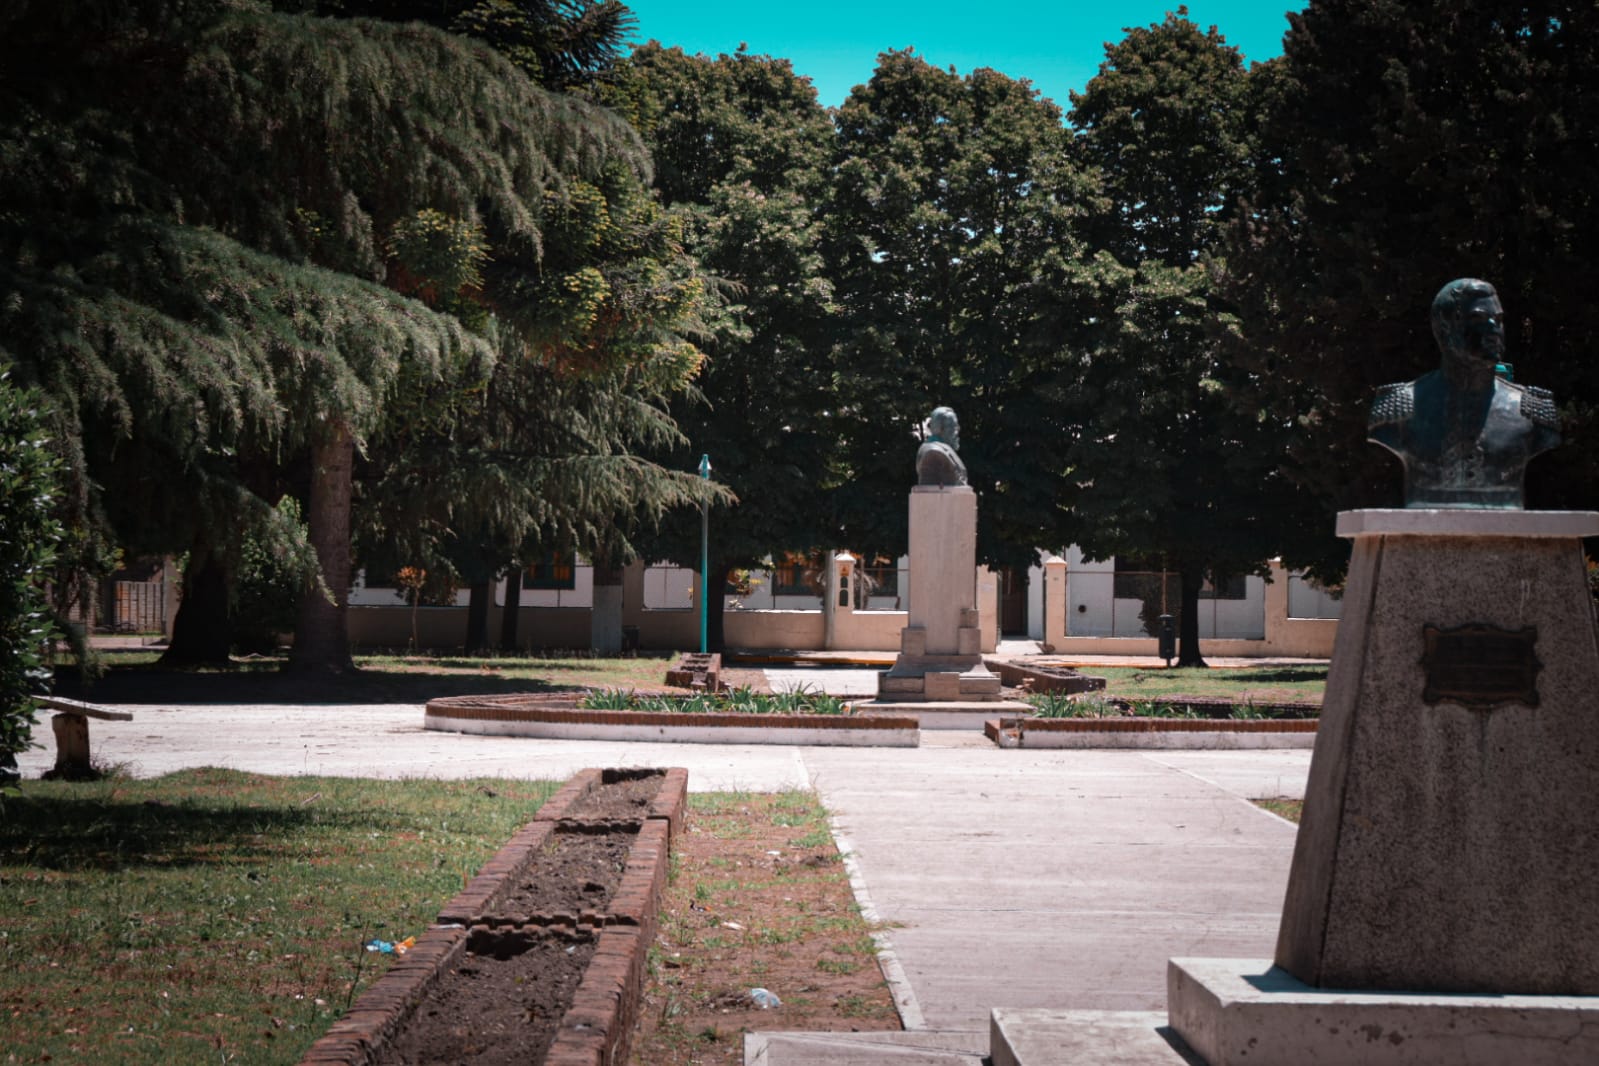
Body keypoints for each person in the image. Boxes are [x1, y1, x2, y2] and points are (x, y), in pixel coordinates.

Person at [1368, 278, 1559, 508]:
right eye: (1478, 319)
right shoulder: (1399, 406)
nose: (1494, 329)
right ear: (1444, 327)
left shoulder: (1532, 410)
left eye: (1498, 320)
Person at [915, 406, 967, 486]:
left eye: (957, 426)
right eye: (953, 426)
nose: (957, 430)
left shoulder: (945, 449)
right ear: (939, 429)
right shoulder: (932, 452)